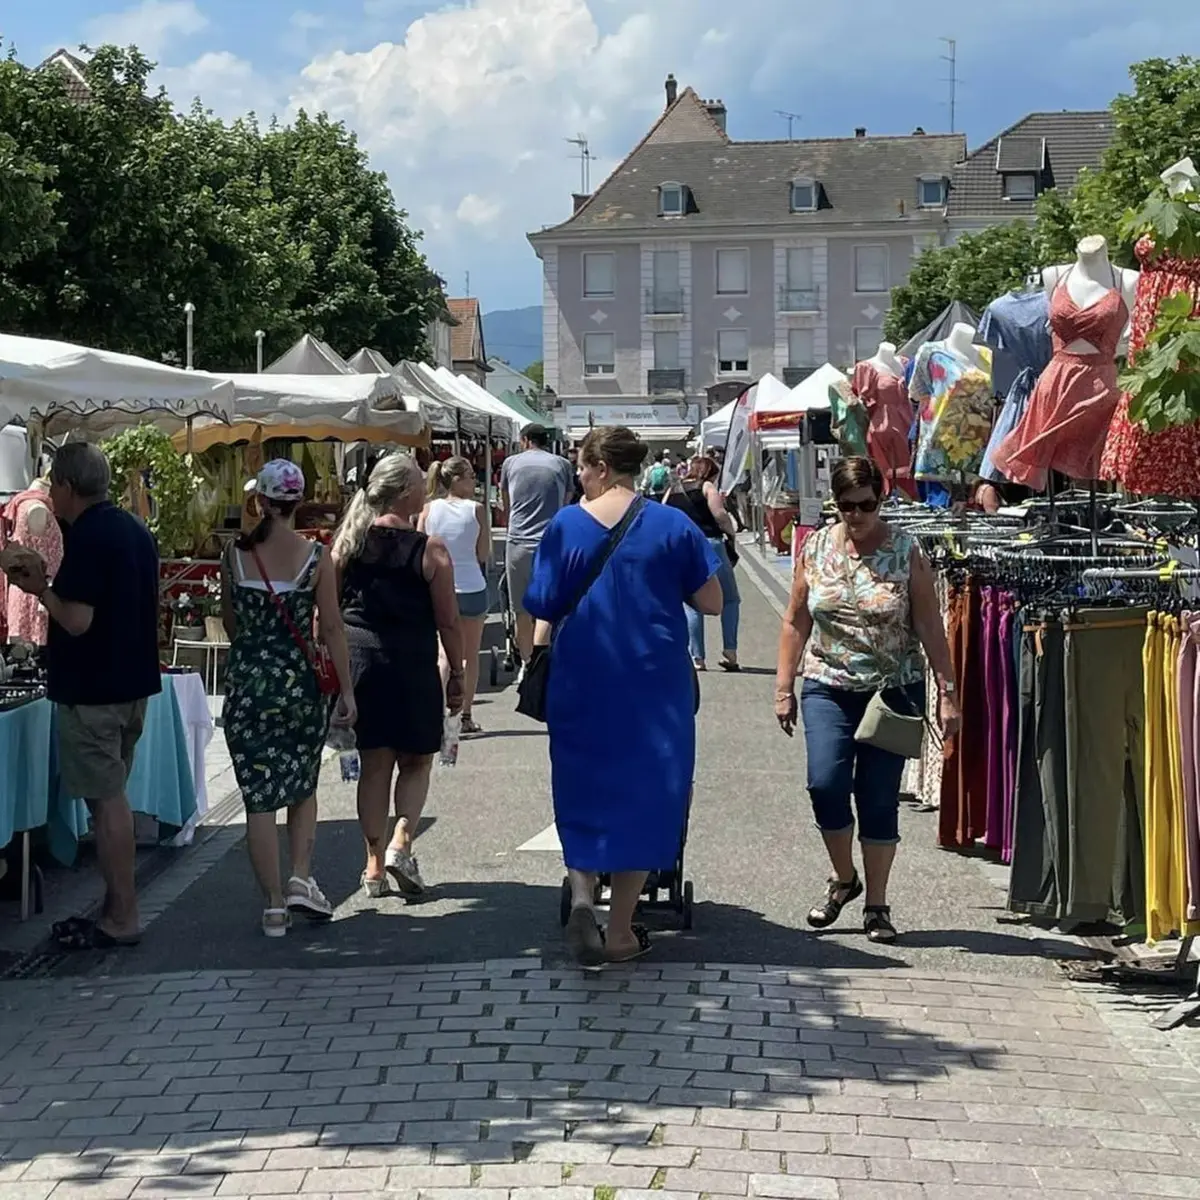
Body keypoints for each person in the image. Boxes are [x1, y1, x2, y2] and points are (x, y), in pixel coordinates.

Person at [524, 426, 723, 966]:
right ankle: (619, 930)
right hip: (653, 679)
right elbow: (712, 601)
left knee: (580, 782)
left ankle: (584, 896)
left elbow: (542, 598)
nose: (580, 478)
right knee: (648, 790)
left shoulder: (566, 525)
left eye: (583, 468)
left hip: (583, 672)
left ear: (602, 467)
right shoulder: (672, 524)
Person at [773, 455, 960, 944]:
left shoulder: (906, 550)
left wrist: (948, 691)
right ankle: (844, 878)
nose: (857, 515)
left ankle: (876, 905)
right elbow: (795, 620)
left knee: (878, 799)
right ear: (835, 503)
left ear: (882, 500)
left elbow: (929, 626)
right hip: (827, 685)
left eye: (867, 504)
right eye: (847, 506)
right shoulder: (815, 548)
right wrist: (783, 687)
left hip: (893, 689)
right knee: (824, 783)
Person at [6, 444, 160, 950]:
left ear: (69, 487)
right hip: (130, 683)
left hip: (96, 690)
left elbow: (77, 619)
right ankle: (118, 909)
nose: (49, 494)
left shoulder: (93, 536)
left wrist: (39, 589)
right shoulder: (134, 529)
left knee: (107, 802)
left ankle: (123, 915)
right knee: (112, 797)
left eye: (53, 485)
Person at [220, 460, 353, 938]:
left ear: (261, 501)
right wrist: (347, 691)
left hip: (248, 685)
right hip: (298, 686)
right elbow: (332, 628)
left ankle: (274, 905)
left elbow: (233, 627)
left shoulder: (234, 556)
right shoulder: (318, 558)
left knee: (259, 800)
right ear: (298, 503)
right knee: (301, 785)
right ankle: (300, 875)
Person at [333, 453, 464, 899]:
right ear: (406, 492)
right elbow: (448, 620)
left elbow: (326, 611)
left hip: (361, 663)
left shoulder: (349, 543)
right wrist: (458, 675)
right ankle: (402, 841)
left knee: (374, 765)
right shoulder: (429, 548)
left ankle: (371, 865)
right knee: (415, 760)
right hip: (411, 664)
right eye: (418, 480)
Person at [420, 456, 490, 736]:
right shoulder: (477, 510)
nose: (475, 481)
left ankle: (437, 714)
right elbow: (482, 553)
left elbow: (419, 547)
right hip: (471, 586)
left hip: (438, 588)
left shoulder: (428, 510)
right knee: (470, 657)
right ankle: (464, 716)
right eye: (471, 476)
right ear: (457, 479)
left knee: (443, 656)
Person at [500, 424, 575, 670]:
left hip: (519, 541)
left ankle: (527, 663)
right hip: (552, 542)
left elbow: (507, 505)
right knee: (550, 605)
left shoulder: (510, 464)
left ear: (524, 440)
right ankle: (549, 659)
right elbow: (566, 503)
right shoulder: (562, 464)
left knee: (520, 609)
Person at [665, 455, 741, 672]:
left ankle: (697, 656)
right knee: (730, 598)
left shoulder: (674, 489)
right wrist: (731, 534)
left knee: (691, 602)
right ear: (709, 472)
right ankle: (730, 651)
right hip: (711, 544)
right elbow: (719, 514)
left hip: (684, 546)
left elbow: (665, 514)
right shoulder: (707, 487)